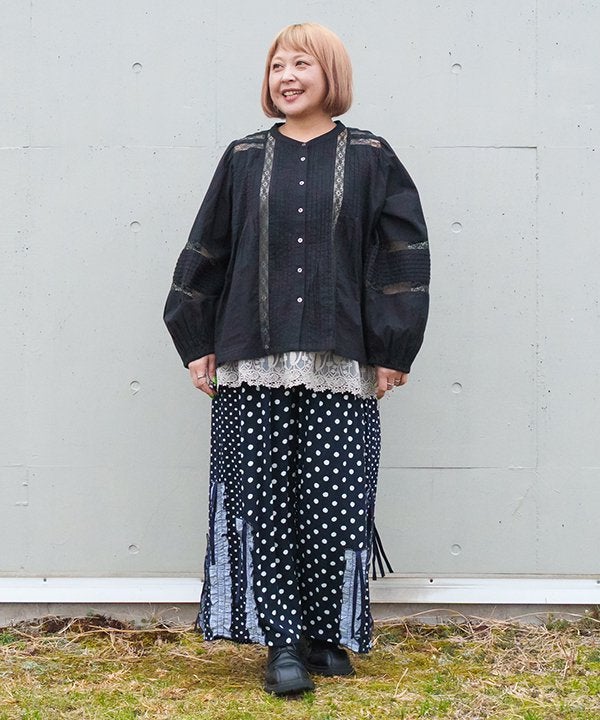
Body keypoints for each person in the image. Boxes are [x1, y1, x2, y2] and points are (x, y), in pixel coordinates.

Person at [163, 22, 430, 696]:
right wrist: (196, 340)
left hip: (342, 359)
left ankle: (322, 633)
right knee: (262, 502)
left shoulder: (371, 156)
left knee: (334, 500)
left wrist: (394, 345)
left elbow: (401, 254)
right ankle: (281, 640)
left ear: (329, 73)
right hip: (254, 357)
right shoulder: (243, 158)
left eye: (301, 64)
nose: (286, 76)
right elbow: (208, 248)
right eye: (277, 65)